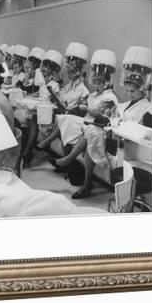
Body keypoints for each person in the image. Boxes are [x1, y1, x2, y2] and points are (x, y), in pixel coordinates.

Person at [49, 49, 119, 199]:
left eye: (101, 82)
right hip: (90, 124)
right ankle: (70, 165)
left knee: (92, 132)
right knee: (65, 119)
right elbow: (88, 109)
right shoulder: (94, 94)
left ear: (107, 82)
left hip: (104, 129)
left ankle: (70, 163)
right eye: (96, 82)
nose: (97, 85)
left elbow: (98, 111)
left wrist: (86, 108)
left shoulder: (110, 97)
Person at [36, 42, 90, 150]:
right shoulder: (68, 87)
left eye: (71, 73)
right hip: (63, 114)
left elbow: (82, 110)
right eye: (68, 72)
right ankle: (44, 146)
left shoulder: (84, 91)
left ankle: (45, 144)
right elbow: (61, 100)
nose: (69, 75)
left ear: (78, 73)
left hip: (74, 119)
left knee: (64, 122)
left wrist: (70, 110)